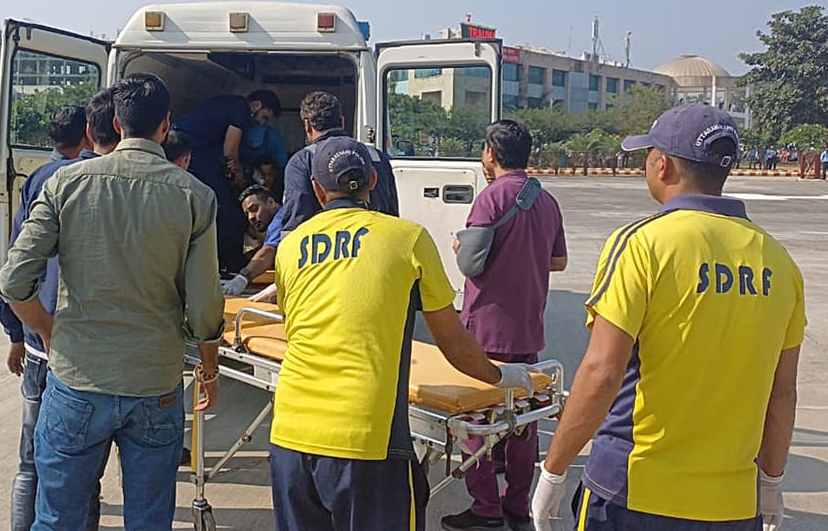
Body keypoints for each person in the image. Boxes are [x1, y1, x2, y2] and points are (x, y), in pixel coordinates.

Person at [531, 104, 806, 531]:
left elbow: (603, 371)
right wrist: (771, 480)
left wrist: (553, 468)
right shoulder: (780, 263)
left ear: (663, 165)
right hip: (732, 504)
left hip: (634, 493)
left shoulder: (643, 245)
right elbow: (782, 393)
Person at [269, 135, 536, 531]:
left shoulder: (290, 249)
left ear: (317, 190)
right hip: (366, 437)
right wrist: (500, 377)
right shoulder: (406, 238)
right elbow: (453, 343)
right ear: (373, 181)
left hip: (289, 435)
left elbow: (296, 329)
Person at [0, 74, 226, 531]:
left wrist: (45, 328)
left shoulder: (66, 184)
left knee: (58, 516)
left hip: (78, 377)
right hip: (154, 386)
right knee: (148, 519)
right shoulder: (195, 196)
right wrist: (209, 366)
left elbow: (15, 277)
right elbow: (204, 304)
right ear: (166, 124)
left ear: (115, 125)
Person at [443, 119, 567, 531]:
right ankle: (516, 504)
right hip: (527, 326)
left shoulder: (491, 198)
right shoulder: (546, 202)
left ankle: (485, 509)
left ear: (491, 154)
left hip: (485, 328)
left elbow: (469, 263)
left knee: (476, 419)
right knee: (522, 419)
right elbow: (558, 261)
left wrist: (462, 245)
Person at [0, 105, 102, 531]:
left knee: (30, 462)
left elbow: (14, 263)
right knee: (82, 465)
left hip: (40, 342)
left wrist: (18, 331)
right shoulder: (92, 178)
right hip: (77, 349)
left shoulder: (37, 179)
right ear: (89, 134)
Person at [173, 90, 282, 274]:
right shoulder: (240, 109)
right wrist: (240, 180)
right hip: (191, 148)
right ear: (255, 105)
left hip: (190, 147)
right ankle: (225, 262)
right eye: (263, 117)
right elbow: (230, 151)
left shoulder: (229, 104)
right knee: (222, 205)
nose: (260, 123)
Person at [281, 91, 399, 234]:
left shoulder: (301, 161)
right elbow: (392, 214)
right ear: (342, 121)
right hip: (377, 244)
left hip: (326, 250)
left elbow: (296, 221)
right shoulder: (377, 157)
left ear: (307, 125)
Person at [221, 184, 284, 296]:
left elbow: (269, 251)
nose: (251, 217)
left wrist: (242, 278)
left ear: (271, 203)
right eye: (247, 214)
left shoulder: (281, 219)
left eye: (254, 209)